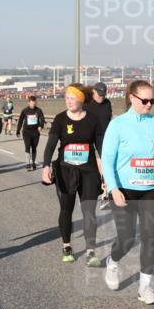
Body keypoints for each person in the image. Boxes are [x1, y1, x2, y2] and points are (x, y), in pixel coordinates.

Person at [100, 80, 154, 305]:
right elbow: (107, 159)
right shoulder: (118, 125)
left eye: (153, 100)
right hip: (125, 189)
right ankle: (112, 263)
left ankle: (145, 288)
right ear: (132, 98)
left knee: (150, 237)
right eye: (145, 100)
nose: (149, 104)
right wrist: (113, 189)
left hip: (151, 189)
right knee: (127, 238)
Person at [41, 84, 105, 266]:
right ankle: (67, 246)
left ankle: (91, 251)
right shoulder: (61, 119)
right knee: (66, 210)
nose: (68, 101)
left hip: (89, 171)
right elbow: (51, 144)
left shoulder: (93, 119)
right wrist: (46, 166)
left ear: (81, 99)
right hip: (65, 170)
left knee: (89, 211)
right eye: (67, 97)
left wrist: (106, 173)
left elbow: (100, 147)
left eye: (72, 97)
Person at [86, 82, 115, 210]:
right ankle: (101, 192)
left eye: (104, 94)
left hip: (106, 138)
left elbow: (110, 118)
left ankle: (105, 194)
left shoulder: (107, 103)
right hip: (91, 138)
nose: (101, 97)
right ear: (94, 91)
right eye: (99, 94)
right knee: (98, 166)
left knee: (106, 164)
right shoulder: (88, 105)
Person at [16, 95, 46, 171]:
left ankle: (33, 163)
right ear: (28, 102)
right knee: (27, 146)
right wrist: (18, 130)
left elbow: (42, 119)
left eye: (34, 103)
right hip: (26, 132)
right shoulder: (24, 111)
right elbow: (20, 121)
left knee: (34, 147)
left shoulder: (38, 110)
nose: (33, 105)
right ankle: (28, 163)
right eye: (32, 103)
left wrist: (40, 126)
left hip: (35, 132)